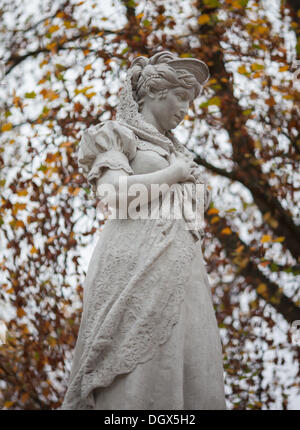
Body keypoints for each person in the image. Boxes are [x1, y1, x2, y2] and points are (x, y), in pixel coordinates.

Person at [60, 51, 226, 410]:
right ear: (153, 92)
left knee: (193, 369)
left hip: (185, 270)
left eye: (190, 101)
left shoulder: (179, 153)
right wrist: (173, 174)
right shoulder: (117, 135)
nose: (185, 109)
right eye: (181, 97)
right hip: (134, 258)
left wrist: (183, 174)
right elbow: (114, 195)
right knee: (135, 374)